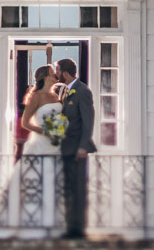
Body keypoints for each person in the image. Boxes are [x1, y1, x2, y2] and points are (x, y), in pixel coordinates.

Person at [54, 58, 97, 239]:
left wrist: (82, 146)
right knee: (69, 190)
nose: (56, 75)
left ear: (65, 73)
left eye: (57, 71)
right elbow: (65, 120)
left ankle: (77, 230)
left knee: (78, 189)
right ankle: (70, 226)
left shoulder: (82, 91)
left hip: (77, 150)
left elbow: (88, 120)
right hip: (66, 148)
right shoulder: (65, 92)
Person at [18, 65, 65, 159]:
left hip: (57, 141)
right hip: (41, 142)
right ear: (46, 77)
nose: (56, 76)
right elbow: (25, 123)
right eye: (53, 74)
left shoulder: (55, 96)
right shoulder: (36, 96)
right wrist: (46, 133)